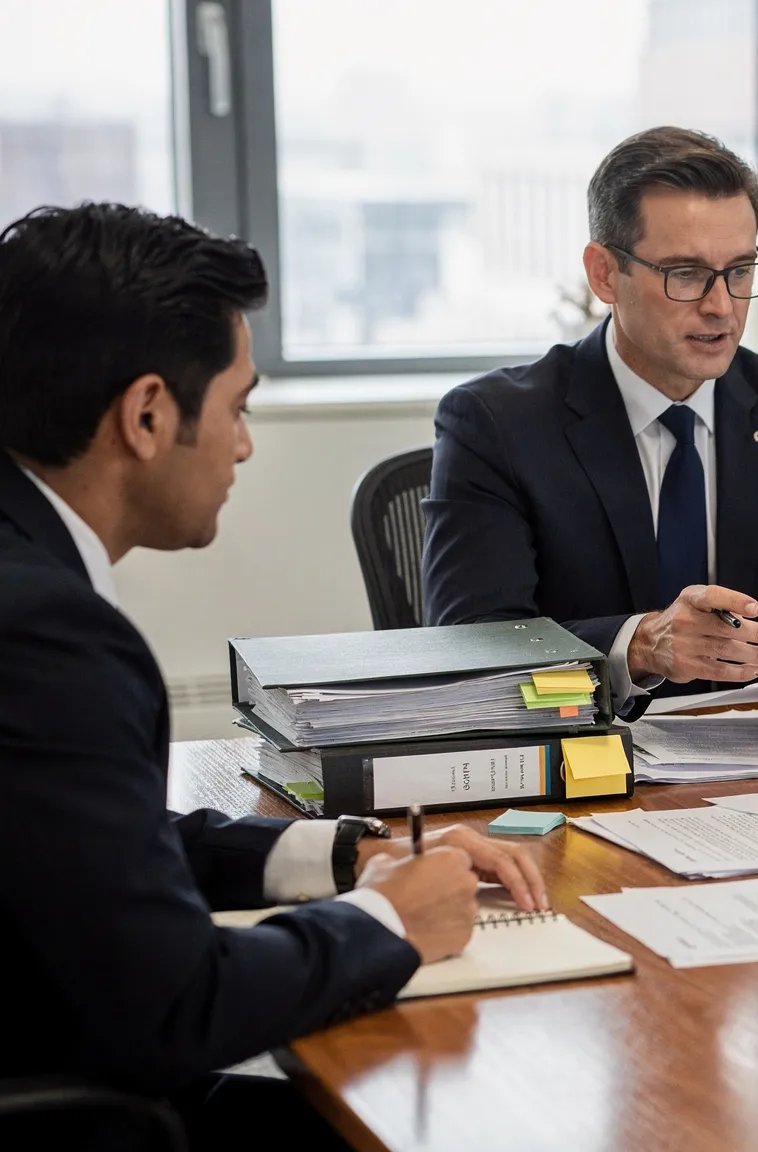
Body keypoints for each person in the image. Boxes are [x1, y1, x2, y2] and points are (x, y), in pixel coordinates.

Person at [0, 203, 547, 1146]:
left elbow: (92, 846)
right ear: (145, 414)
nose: (245, 444)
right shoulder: (50, 635)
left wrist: (347, 858)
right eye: (238, 406)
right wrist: (388, 920)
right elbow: (176, 1006)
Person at [422, 127, 758, 720]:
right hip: (571, 759)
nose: (722, 306)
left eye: (740, 271)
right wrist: (638, 645)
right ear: (604, 275)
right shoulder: (497, 423)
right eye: (686, 274)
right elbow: (471, 646)